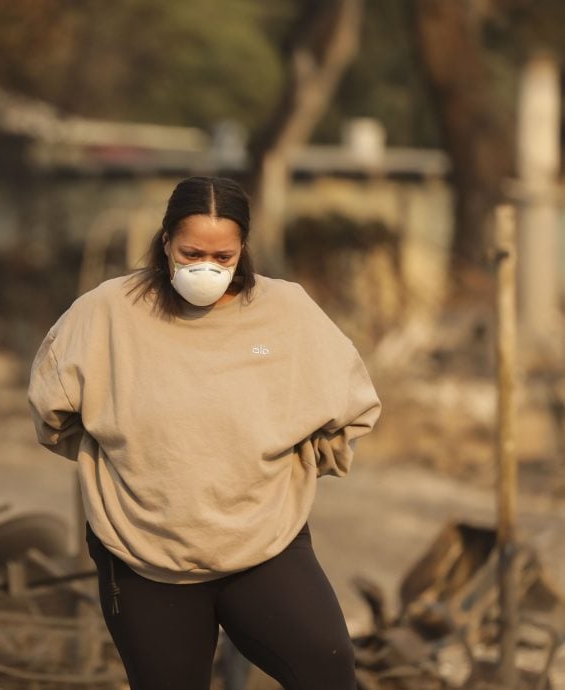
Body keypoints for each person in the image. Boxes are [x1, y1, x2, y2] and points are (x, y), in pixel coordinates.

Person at [28, 176, 381, 690]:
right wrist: (126, 464)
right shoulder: (106, 311)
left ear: (243, 250)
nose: (206, 268)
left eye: (223, 256)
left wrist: (292, 471)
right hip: (143, 556)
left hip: (266, 548)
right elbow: (52, 412)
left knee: (327, 669)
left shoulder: (286, 310)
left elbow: (351, 408)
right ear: (166, 240)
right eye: (192, 252)